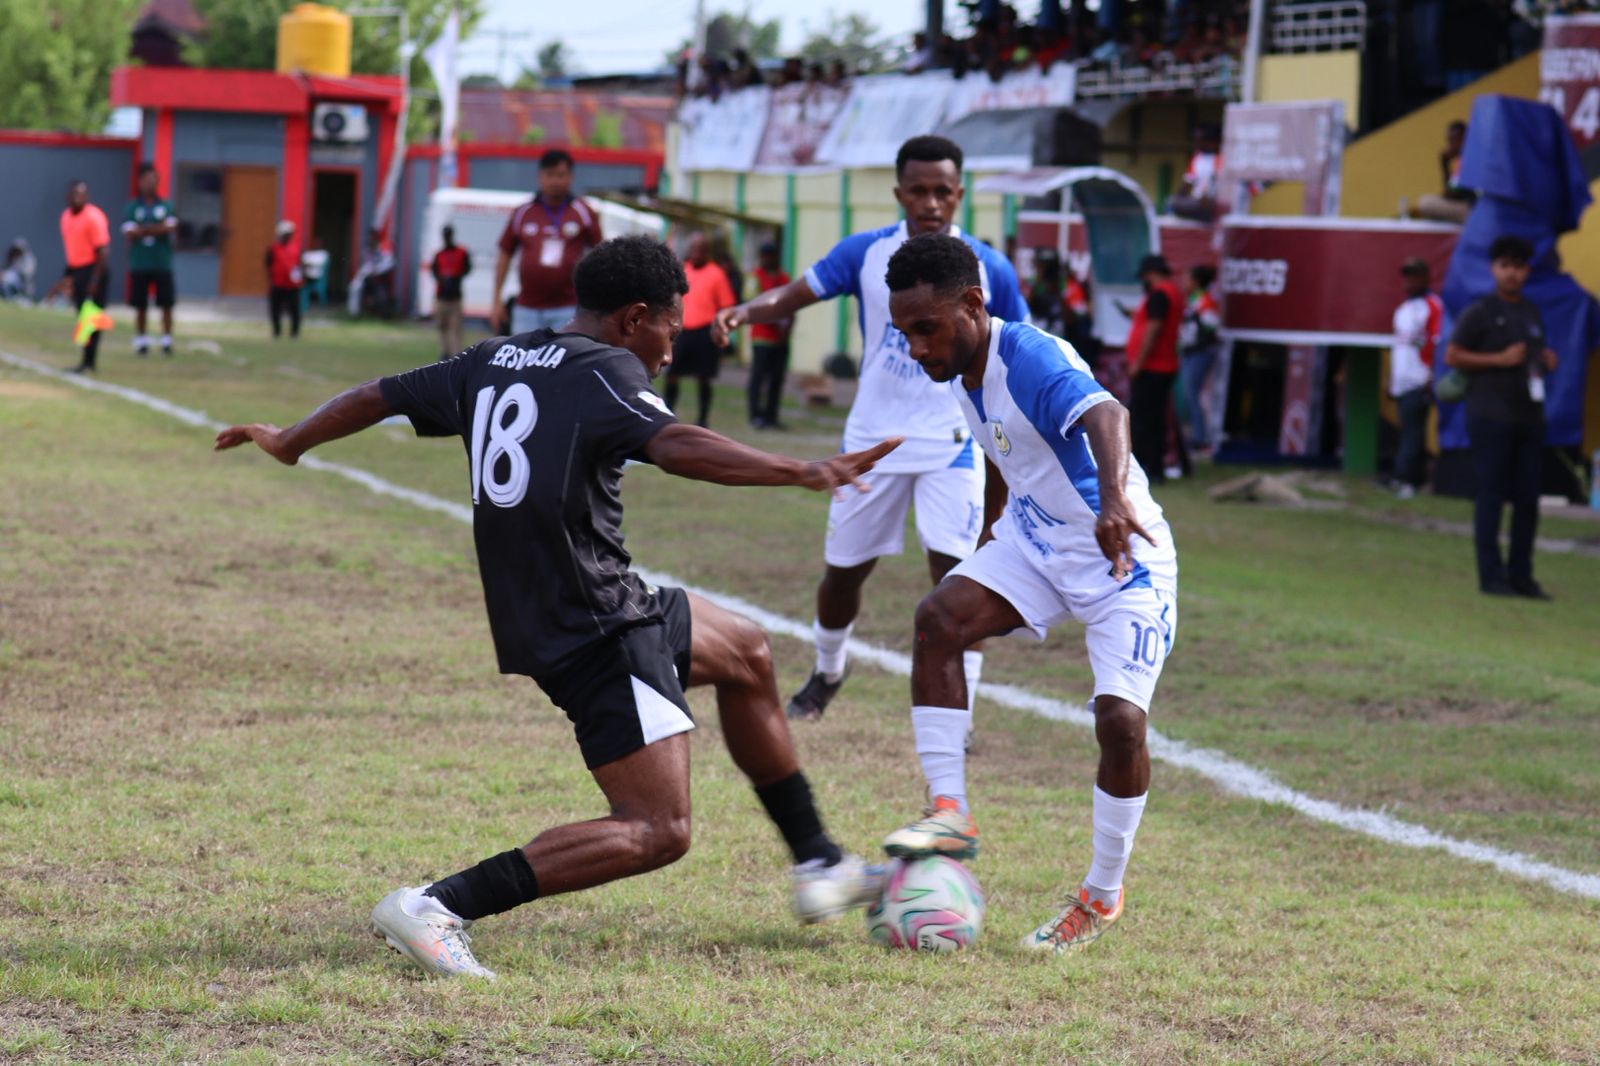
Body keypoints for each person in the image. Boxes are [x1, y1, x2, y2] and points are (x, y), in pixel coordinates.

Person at [214, 234, 899, 979]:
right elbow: (677, 446)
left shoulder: (495, 358)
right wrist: (800, 469)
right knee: (657, 830)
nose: (673, 347)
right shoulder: (606, 371)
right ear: (635, 318)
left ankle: (818, 861)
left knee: (747, 653)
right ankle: (437, 905)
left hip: (579, 605)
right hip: (598, 624)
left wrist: (292, 440)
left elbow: (381, 393)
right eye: (672, 326)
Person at [879, 233, 1177, 956]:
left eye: (926, 328)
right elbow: (1000, 450)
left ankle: (1101, 897)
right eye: (906, 333)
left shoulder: (1031, 356)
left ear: (973, 306)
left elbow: (1106, 414)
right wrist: (989, 533)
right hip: (1036, 544)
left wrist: (1112, 502)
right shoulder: (960, 368)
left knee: (1121, 723)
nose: (917, 347)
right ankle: (950, 810)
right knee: (939, 618)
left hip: (1121, 557)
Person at [714, 135, 1029, 724]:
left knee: (962, 577)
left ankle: (961, 710)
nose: (931, 202)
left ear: (960, 194)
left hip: (953, 445)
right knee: (843, 572)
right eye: (919, 190)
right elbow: (798, 294)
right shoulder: (866, 253)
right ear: (898, 192)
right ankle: (829, 669)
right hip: (871, 440)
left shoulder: (991, 268)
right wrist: (746, 311)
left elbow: (1018, 347)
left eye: (943, 191)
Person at [1444, 234, 1557, 599]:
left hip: (1529, 415)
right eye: (1505, 266)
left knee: (1527, 499)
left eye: (1519, 266)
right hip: (1490, 414)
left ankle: (1521, 574)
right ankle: (1490, 576)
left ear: (1527, 271)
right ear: (1494, 268)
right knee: (1491, 495)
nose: (1512, 273)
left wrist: (1546, 362)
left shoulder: (1530, 312)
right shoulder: (1479, 311)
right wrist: (1498, 360)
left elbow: (1532, 357)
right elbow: (1453, 356)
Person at [489, 149, 603, 336]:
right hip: (527, 308)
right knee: (524, 362)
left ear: (571, 177)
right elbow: (505, 253)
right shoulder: (524, 212)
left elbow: (600, 256)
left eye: (560, 175)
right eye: (549, 175)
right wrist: (496, 300)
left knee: (564, 362)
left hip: (569, 307)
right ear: (540, 176)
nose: (555, 181)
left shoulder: (584, 212)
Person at [665, 232, 737, 427]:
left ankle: (703, 419)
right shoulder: (682, 270)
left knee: (703, 376)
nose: (696, 253)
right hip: (682, 330)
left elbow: (727, 304)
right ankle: (667, 414)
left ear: (707, 252)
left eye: (700, 250)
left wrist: (723, 331)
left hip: (705, 331)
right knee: (672, 373)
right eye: (693, 249)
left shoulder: (717, 274)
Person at [1125, 255, 1183, 485]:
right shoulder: (1171, 292)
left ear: (1151, 273)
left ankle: (1141, 468)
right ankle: (1155, 467)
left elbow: (1154, 328)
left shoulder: (1160, 294)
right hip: (1162, 365)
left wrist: (1138, 362)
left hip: (1153, 366)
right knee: (1155, 419)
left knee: (1142, 420)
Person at [1389, 258, 1444, 498]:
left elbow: (1435, 343)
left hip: (1420, 380)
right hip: (1401, 382)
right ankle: (1404, 478)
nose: (1411, 281)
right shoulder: (1403, 309)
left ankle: (1408, 481)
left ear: (1426, 277)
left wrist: (1430, 375)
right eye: (1408, 276)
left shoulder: (1432, 305)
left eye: (1416, 276)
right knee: (1408, 431)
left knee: (1414, 432)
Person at [45, 181, 111, 374]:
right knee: (83, 317)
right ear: (68, 196)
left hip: (95, 270)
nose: (78, 198)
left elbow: (102, 252)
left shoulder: (94, 217)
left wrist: (94, 281)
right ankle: (86, 360)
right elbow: (73, 251)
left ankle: (89, 360)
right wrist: (65, 279)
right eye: (75, 194)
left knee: (92, 318)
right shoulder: (66, 217)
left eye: (82, 194)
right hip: (78, 269)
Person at [122, 163, 177, 357]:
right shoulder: (133, 207)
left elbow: (169, 228)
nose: (151, 183)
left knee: (166, 304)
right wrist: (155, 228)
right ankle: (142, 340)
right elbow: (129, 232)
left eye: (155, 179)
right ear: (140, 182)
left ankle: (166, 340)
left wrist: (144, 229)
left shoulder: (166, 205)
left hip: (162, 262)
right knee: (140, 304)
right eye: (147, 179)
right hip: (140, 263)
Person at [746, 241, 792, 429]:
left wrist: (787, 330)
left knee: (776, 379)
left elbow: (792, 305)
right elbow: (751, 302)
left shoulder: (784, 278)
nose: (767, 259)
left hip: (781, 339)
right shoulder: (755, 277)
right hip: (762, 336)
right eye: (764, 256)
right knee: (758, 377)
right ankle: (755, 415)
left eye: (770, 256)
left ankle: (771, 416)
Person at [1178, 264, 1221, 454]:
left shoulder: (1204, 300)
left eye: (1187, 279)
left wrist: (1198, 320)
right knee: (1190, 394)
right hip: (1190, 352)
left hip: (1200, 352)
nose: (1184, 283)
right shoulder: (1193, 299)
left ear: (1196, 282)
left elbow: (1212, 325)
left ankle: (1200, 438)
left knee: (1192, 394)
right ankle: (1197, 435)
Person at [1415, 121, 1475, 225]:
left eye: (1454, 139)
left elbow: (1449, 195)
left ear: (1465, 138)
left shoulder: (1466, 159)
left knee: (1425, 203)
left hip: (1473, 211)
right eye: (1448, 140)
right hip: (1473, 207)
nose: (1450, 145)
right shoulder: (1470, 156)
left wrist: (1444, 163)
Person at [430, 225, 472, 359]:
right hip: (442, 296)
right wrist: (443, 279)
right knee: (442, 327)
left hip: (455, 297)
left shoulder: (461, 252)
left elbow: (467, 269)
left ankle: (456, 355)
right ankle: (444, 352)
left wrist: (455, 278)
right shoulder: (439, 254)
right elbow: (434, 271)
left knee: (455, 328)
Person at [1168, 124, 1222, 223]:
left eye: (1199, 140)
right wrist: (1177, 198)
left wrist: (1209, 198)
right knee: (1171, 201)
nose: (1196, 143)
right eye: (1195, 140)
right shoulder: (1197, 158)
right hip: (1197, 202)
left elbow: (1221, 186)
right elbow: (1188, 182)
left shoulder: (1220, 159)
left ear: (1212, 142)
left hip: (1215, 204)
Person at [265, 220, 303, 340]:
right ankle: (277, 332)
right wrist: (271, 279)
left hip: (293, 285)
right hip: (278, 284)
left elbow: (300, 265)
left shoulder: (296, 248)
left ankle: (294, 333)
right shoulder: (273, 248)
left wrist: (300, 278)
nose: (287, 236)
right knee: (275, 309)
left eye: (289, 234)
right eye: (285, 234)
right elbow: (268, 264)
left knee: (295, 310)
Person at [301, 237, 330, 309]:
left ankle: (322, 306)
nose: (316, 245)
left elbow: (320, 264)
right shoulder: (309, 253)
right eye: (315, 243)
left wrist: (310, 264)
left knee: (320, 291)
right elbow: (303, 262)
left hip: (318, 278)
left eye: (318, 243)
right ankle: (304, 307)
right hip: (307, 277)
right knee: (303, 290)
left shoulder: (323, 254)